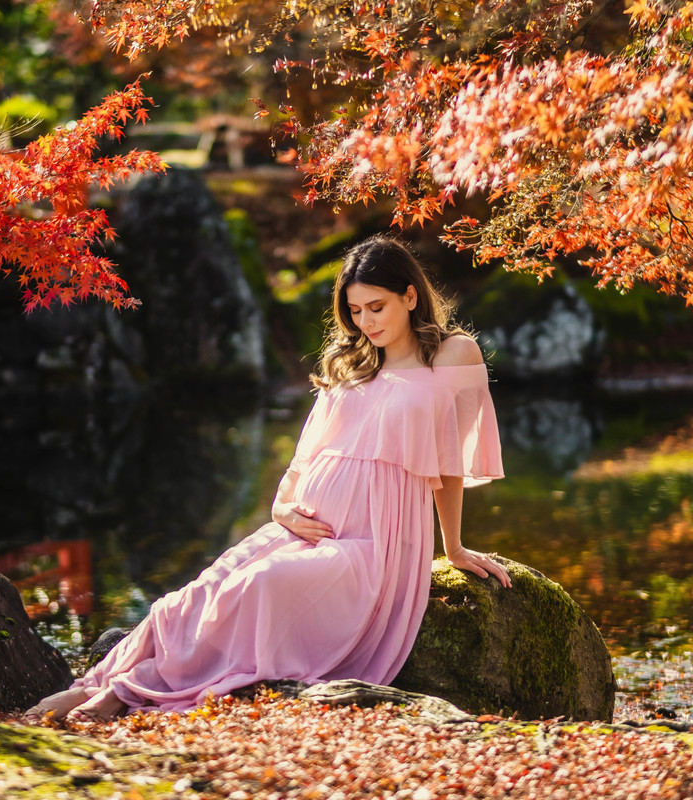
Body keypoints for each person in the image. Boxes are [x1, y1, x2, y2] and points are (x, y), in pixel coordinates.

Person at [25, 234, 509, 722]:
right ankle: (97, 684)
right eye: (356, 311)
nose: (366, 322)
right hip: (304, 525)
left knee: (259, 584)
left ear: (410, 295)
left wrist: (454, 547)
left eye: (377, 307)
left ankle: (129, 693)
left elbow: (448, 462)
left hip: (372, 542)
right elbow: (307, 454)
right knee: (198, 592)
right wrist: (282, 506)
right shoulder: (354, 362)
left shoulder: (452, 354)